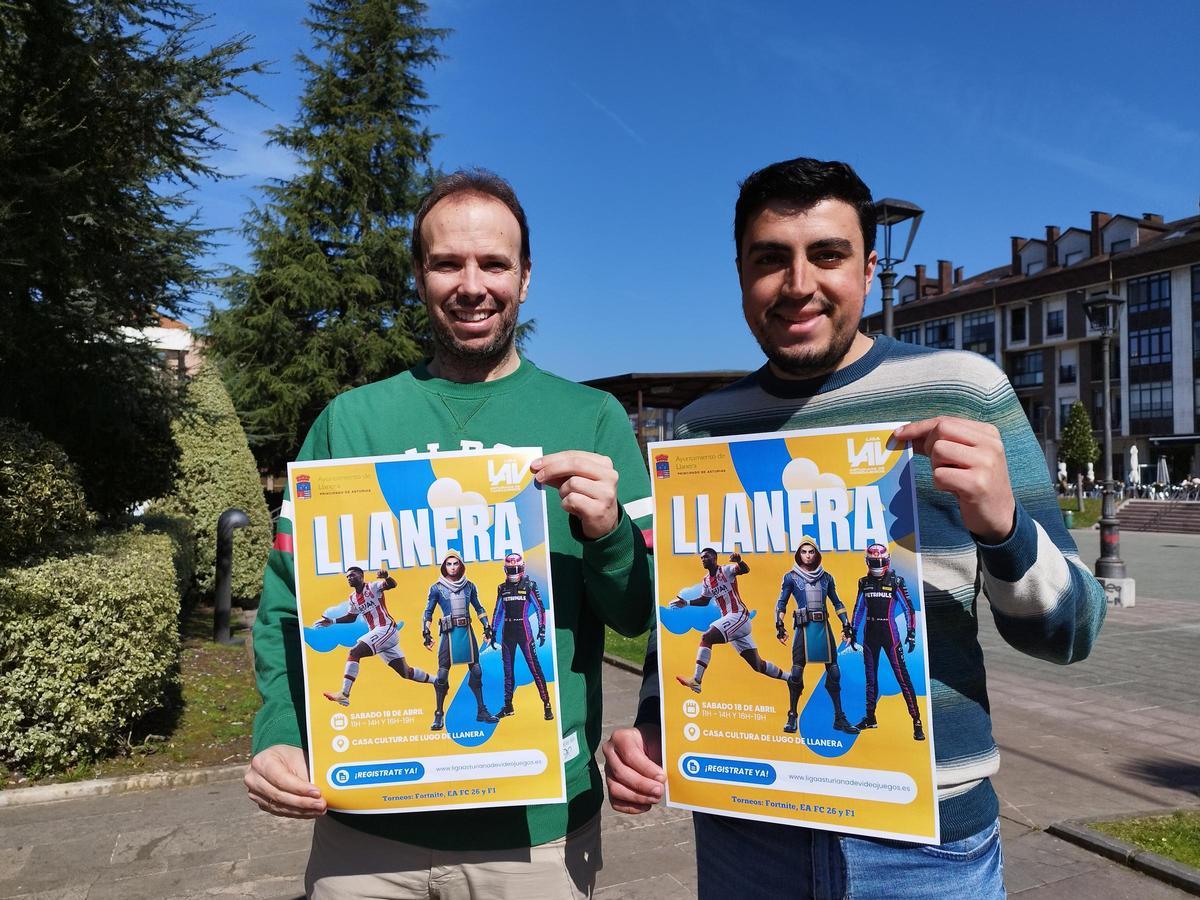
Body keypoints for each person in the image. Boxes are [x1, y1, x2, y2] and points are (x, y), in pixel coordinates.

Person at [602, 156, 1106, 899]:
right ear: (740, 274)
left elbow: (1073, 632)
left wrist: (1004, 528)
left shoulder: (963, 391)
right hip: (747, 834)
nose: (798, 283)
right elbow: (674, 616)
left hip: (922, 848)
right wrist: (654, 724)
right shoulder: (705, 429)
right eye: (770, 259)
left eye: (827, 254)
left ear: (868, 270)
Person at [244, 169, 654, 899]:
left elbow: (635, 616)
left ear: (525, 277)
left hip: (536, 836)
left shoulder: (592, 420)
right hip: (364, 829)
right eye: (447, 263)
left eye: (494, 263)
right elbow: (284, 605)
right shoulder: (350, 421)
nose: (472, 286)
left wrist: (609, 534)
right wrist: (278, 730)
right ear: (418, 275)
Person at [669, 548, 787, 693]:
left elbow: (744, 570)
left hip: (738, 615)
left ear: (714, 558)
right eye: (701, 558)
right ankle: (791, 678)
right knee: (758, 665)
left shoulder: (726, 570)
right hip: (733, 622)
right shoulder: (706, 581)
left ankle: (696, 680)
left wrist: (739, 561)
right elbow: (704, 600)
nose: (703, 559)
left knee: (707, 637)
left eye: (706, 557)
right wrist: (686, 603)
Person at [315, 566, 435, 707]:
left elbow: (392, 584)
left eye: (352, 575)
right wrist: (333, 621)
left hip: (386, 628)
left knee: (354, 652)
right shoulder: (353, 598)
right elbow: (351, 617)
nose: (349, 578)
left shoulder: (373, 587)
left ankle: (344, 694)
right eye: (347, 576)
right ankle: (438, 680)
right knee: (405, 672)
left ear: (361, 576)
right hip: (380, 635)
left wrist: (386, 577)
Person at [775, 538, 858, 736]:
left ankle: (839, 718)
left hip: (823, 627)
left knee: (834, 672)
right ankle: (792, 715)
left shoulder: (826, 578)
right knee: (796, 673)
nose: (808, 555)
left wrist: (846, 624)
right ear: (799, 554)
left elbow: (837, 603)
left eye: (811, 551)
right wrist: (779, 624)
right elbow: (782, 602)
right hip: (803, 628)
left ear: (816, 554)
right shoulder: (791, 577)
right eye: (804, 552)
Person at [847, 543, 923, 740]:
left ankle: (916, 721)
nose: (877, 566)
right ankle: (870, 718)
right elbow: (859, 608)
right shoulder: (863, 582)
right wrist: (853, 631)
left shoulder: (896, 581)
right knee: (870, 679)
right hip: (870, 635)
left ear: (887, 561)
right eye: (873, 562)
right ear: (867, 562)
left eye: (880, 562)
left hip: (891, 636)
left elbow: (908, 608)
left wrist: (911, 633)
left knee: (902, 678)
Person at [423, 551, 497, 730]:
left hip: (466, 631)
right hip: (448, 633)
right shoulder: (437, 588)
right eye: (449, 564)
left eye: (455, 563)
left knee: (477, 670)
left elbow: (479, 608)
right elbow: (428, 611)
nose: (452, 567)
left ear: (461, 565)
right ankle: (439, 714)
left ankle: (481, 710)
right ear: (444, 566)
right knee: (442, 675)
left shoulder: (469, 586)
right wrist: (426, 632)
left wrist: (487, 626)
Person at [490, 552, 553, 720]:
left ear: (522, 568)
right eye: (510, 570)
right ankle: (508, 706)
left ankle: (547, 704)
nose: (513, 573)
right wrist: (493, 631)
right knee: (508, 671)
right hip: (508, 632)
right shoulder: (502, 588)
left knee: (535, 668)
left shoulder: (530, 585)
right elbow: (498, 611)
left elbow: (539, 608)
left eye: (515, 569)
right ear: (505, 569)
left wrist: (542, 629)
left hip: (524, 631)